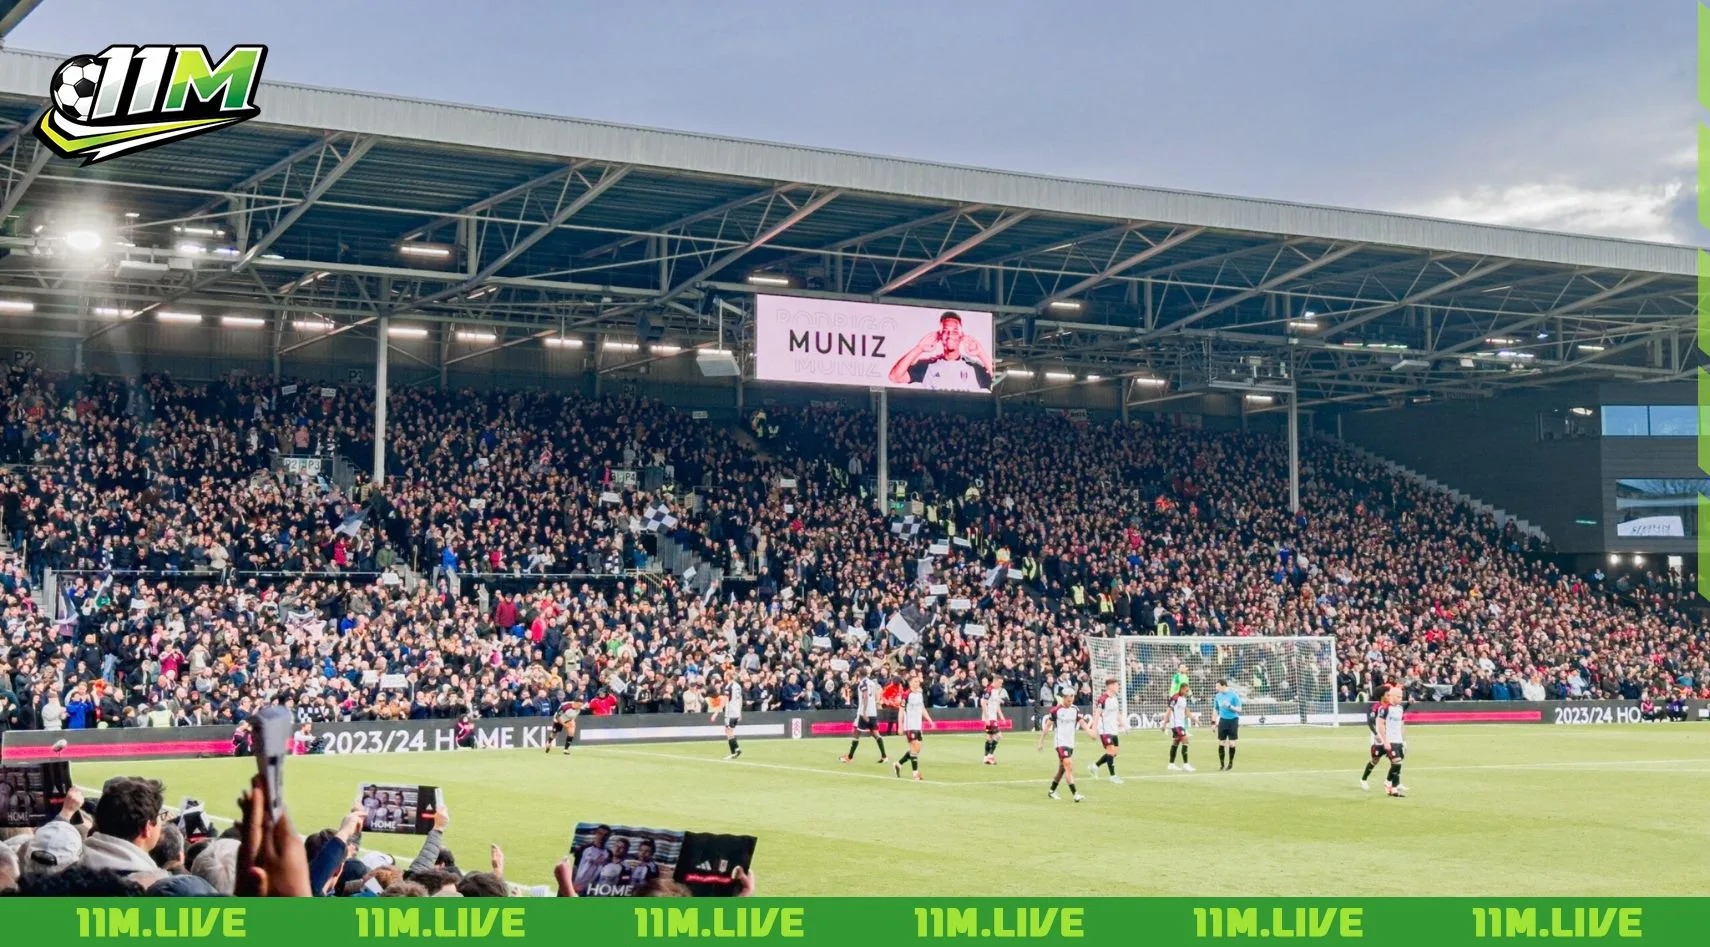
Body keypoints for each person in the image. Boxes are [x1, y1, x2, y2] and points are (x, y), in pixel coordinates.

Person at [886, 312, 993, 392]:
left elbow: (996, 382)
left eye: (955, 331)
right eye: (946, 331)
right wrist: (918, 349)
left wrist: (981, 353)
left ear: (961, 336)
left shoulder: (973, 367)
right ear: (940, 335)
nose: (950, 335)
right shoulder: (927, 365)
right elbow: (895, 377)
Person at [1038, 689, 1089, 802]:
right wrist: (1041, 741)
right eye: (1068, 700)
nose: (1070, 702)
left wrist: (1089, 731)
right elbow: (1047, 726)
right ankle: (1075, 794)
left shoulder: (1075, 709)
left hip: (1070, 743)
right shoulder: (1056, 710)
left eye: (1072, 700)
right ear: (1064, 698)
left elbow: (1081, 722)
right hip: (1060, 743)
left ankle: (1051, 791)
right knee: (1068, 765)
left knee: (1062, 769)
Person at [1362, 685, 1408, 797]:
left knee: (1396, 761)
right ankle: (1364, 779)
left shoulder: (1398, 708)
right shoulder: (1379, 707)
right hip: (1380, 739)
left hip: (1393, 739)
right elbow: (1372, 722)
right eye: (1387, 695)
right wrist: (1377, 735)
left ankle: (1394, 785)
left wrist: (1403, 740)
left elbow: (1401, 723)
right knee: (1376, 759)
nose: (1389, 696)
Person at [892, 674, 935, 781]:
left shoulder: (919, 694)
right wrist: (900, 726)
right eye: (915, 682)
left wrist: (930, 720)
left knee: (916, 749)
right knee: (914, 747)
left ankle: (898, 764)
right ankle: (915, 774)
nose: (917, 683)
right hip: (909, 725)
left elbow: (922, 708)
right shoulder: (906, 695)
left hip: (918, 725)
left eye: (918, 681)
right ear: (910, 683)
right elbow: (901, 711)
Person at [840, 666, 887, 764]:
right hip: (873, 712)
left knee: (856, 733)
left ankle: (849, 757)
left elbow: (865, 696)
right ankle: (884, 756)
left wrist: (865, 711)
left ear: (859, 674)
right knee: (876, 734)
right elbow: (875, 695)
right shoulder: (872, 683)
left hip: (864, 712)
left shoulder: (863, 683)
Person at [1088, 677, 1124, 783]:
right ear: (1110, 686)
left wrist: (1124, 725)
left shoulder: (1115, 698)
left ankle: (1094, 766)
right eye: (1117, 685)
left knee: (1115, 753)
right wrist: (1094, 730)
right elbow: (1097, 714)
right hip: (1104, 730)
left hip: (1113, 729)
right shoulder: (1103, 699)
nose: (1118, 687)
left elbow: (1117, 713)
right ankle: (1113, 776)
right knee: (1111, 751)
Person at [710, 667, 743, 760]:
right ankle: (736, 749)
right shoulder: (738, 686)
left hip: (730, 712)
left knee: (729, 732)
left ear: (728, 676)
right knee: (729, 731)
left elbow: (724, 701)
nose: (724, 676)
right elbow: (740, 698)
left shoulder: (729, 687)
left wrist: (716, 713)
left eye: (725, 675)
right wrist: (740, 712)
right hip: (736, 712)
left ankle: (734, 752)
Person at [1163, 684, 1197, 772]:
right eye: (1186, 690)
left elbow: (1186, 711)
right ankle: (1186, 764)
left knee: (1176, 742)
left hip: (1180, 724)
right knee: (1185, 740)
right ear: (1181, 689)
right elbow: (1169, 710)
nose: (1187, 692)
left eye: (1188, 691)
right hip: (1176, 724)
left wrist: (1193, 719)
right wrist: (1164, 723)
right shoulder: (1175, 697)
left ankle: (1171, 764)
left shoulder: (1183, 699)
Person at [1213, 679, 1242, 771]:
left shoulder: (1233, 695)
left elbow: (1239, 709)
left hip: (1233, 720)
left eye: (1217, 686)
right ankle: (1222, 765)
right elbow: (1215, 710)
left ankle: (1230, 763)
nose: (1216, 688)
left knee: (1232, 743)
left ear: (1223, 686)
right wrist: (1213, 722)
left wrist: (1230, 706)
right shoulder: (1217, 696)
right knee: (1221, 742)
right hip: (1223, 721)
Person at [979, 674, 1006, 765]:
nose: (1001, 685)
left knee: (989, 738)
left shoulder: (995, 691)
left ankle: (986, 757)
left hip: (993, 717)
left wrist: (1001, 716)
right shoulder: (989, 690)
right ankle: (990, 755)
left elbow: (997, 705)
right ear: (995, 681)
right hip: (989, 718)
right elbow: (983, 703)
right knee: (998, 735)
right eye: (1000, 683)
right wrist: (986, 718)